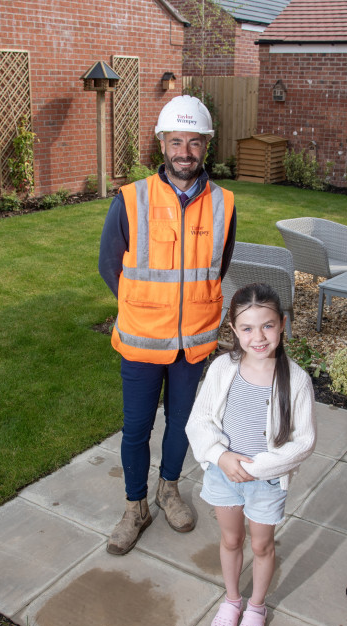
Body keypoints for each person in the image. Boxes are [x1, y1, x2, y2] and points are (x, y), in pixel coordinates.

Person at [98, 95, 237, 555]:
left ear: (206, 146)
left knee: (182, 425)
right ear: (161, 144)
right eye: (175, 141)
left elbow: (219, 266)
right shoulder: (132, 199)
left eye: (194, 143)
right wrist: (146, 307)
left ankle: (169, 489)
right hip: (141, 341)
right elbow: (109, 266)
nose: (184, 152)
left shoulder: (224, 204)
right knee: (136, 428)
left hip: (192, 344)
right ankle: (135, 505)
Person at [187, 282, 317, 626]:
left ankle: (256, 607)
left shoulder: (297, 381)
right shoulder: (221, 369)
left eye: (267, 326)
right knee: (231, 539)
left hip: (266, 482)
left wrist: (256, 469)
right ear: (233, 329)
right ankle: (231, 600)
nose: (258, 336)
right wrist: (221, 457)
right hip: (223, 474)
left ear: (283, 324)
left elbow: (303, 442)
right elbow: (199, 422)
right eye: (247, 328)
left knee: (261, 546)